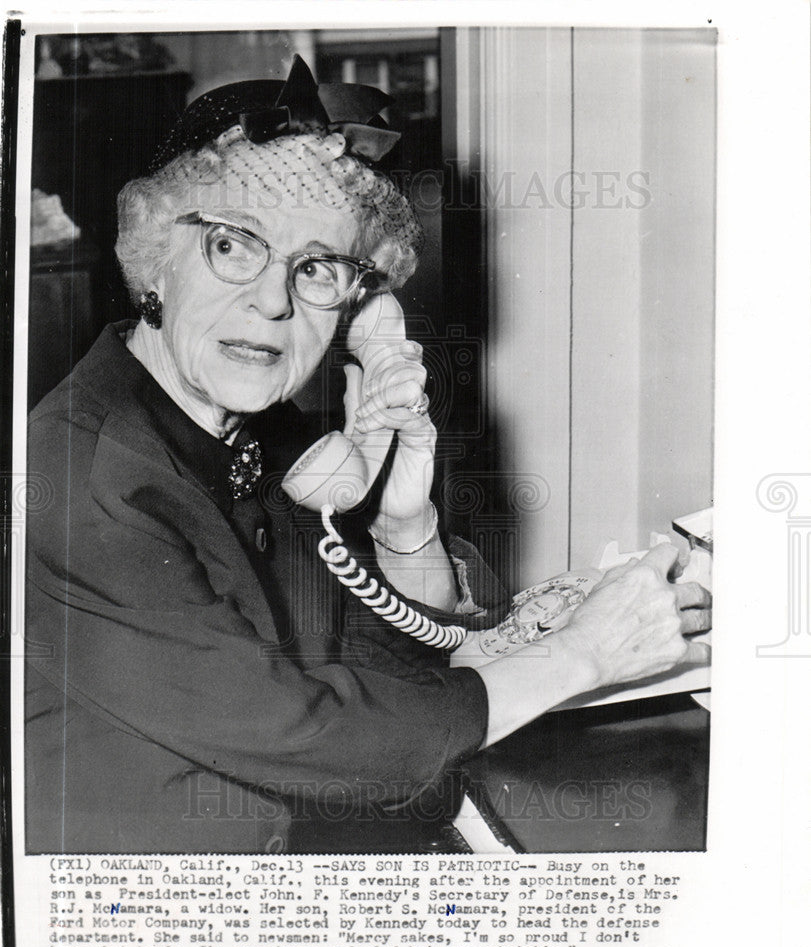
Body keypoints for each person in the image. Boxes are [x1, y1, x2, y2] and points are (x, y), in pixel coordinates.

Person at [25, 56, 710, 854]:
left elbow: (388, 668)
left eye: (315, 267)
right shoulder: (87, 475)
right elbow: (317, 735)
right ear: (154, 260)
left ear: (354, 307)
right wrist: (582, 652)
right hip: (172, 907)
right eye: (231, 245)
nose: (275, 301)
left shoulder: (252, 437)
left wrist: (403, 521)